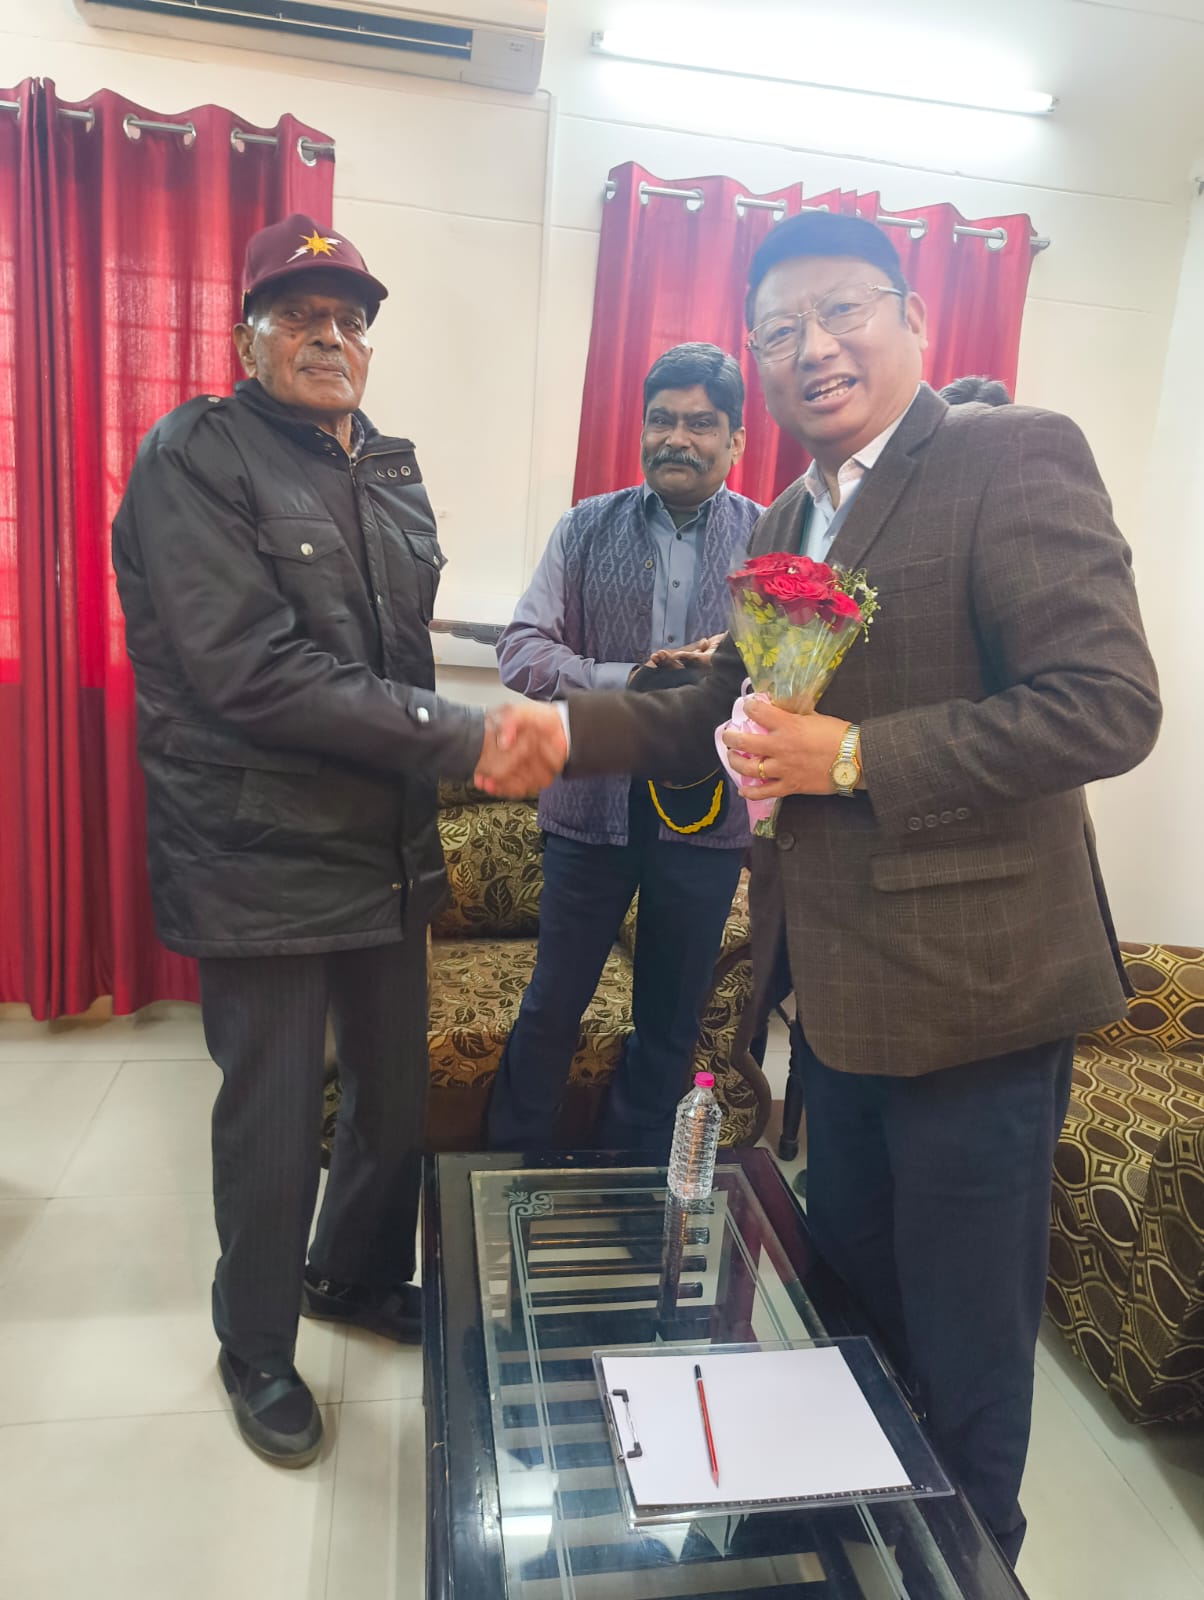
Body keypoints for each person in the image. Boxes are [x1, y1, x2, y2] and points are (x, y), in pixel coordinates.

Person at [480, 211, 1160, 1561]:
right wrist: (570, 731)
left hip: (977, 1000)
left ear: (914, 317)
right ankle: (857, 1552)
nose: (814, 348)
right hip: (835, 1002)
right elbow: (718, 703)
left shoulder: (1012, 453)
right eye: (780, 330)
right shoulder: (794, 513)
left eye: (842, 311)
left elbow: (1106, 704)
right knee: (851, 1303)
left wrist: (852, 755)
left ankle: (970, 1564)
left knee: (965, 1351)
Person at [111, 213, 563, 1468]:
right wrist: (463, 733)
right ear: (245, 336)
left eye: (351, 319)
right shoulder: (196, 456)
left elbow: (389, 652)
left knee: (391, 1090)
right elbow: (249, 669)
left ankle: (350, 1275)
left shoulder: (389, 468)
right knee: (271, 1115)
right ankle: (254, 1345)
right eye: (300, 314)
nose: (331, 336)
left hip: (384, 843)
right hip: (255, 847)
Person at [489, 344, 762, 1155]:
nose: (677, 438)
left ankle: (631, 1182)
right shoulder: (585, 526)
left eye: (700, 424)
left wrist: (736, 681)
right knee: (551, 1007)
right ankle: (505, 1173)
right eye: (661, 420)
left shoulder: (768, 544)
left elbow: (793, 675)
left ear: (736, 440)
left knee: (670, 1024)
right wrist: (629, 681)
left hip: (706, 820)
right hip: (588, 813)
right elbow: (520, 649)